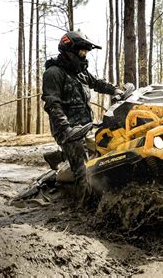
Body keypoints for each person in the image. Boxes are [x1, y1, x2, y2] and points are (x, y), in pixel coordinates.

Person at [41, 31, 123, 200]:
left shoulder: (80, 72)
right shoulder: (54, 73)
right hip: (68, 131)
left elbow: (97, 83)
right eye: (81, 52)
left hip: (86, 126)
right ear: (70, 50)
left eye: (86, 52)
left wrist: (115, 90)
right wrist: (66, 130)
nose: (84, 55)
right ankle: (83, 207)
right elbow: (52, 104)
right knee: (84, 170)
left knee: (108, 152)